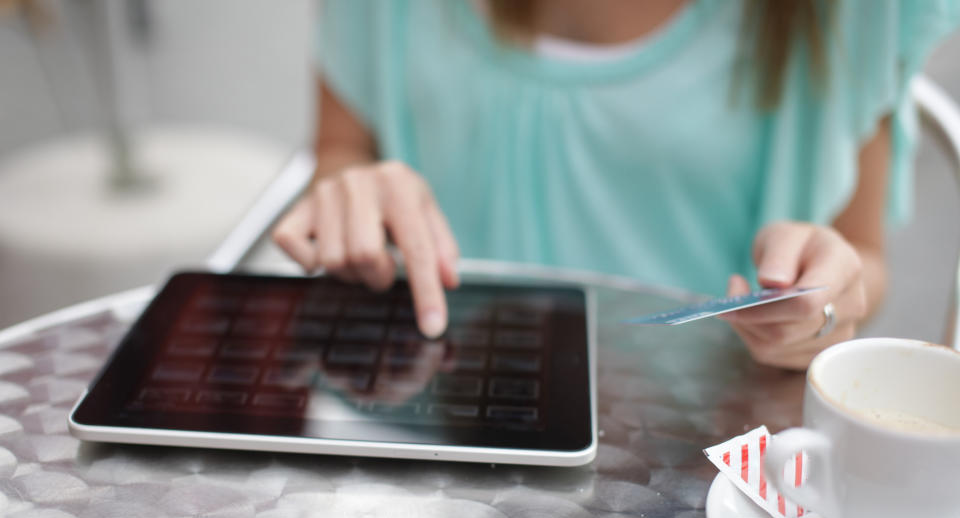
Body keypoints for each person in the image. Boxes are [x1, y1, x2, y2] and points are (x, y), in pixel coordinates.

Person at [272, 0, 960, 370]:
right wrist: (351, 189)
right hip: (429, 419)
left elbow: (861, 258)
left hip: (700, 467)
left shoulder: (851, 13)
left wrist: (823, 307)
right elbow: (342, 146)